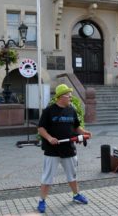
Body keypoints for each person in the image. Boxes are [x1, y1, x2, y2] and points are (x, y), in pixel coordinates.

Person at [37, 84, 92, 213]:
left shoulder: (71, 110)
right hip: (52, 150)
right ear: (61, 97)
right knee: (47, 177)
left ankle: (76, 195)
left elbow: (77, 127)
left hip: (68, 149)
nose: (71, 97)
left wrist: (85, 133)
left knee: (72, 175)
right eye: (68, 95)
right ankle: (42, 201)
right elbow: (40, 128)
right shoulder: (49, 111)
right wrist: (50, 138)